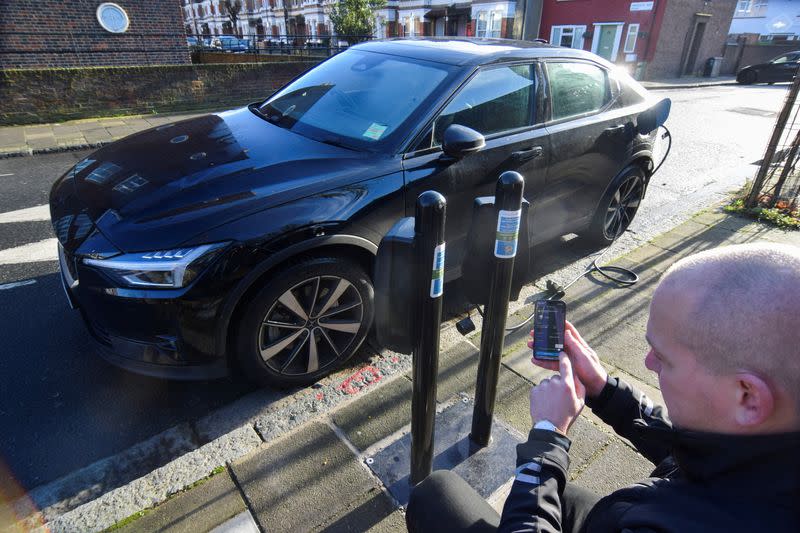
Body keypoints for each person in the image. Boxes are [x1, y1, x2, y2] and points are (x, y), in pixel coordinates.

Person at [406, 243, 800, 532]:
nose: (647, 363)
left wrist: (547, 438)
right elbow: (705, 454)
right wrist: (603, 389)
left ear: (747, 397)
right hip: (636, 510)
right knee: (564, 496)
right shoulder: (770, 445)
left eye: (663, 358)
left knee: (435, 494)